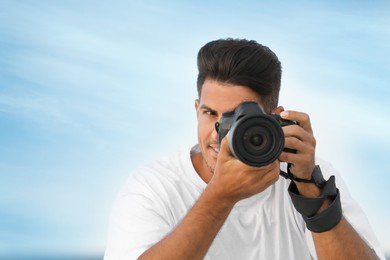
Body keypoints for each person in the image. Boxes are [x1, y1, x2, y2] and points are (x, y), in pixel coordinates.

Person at [104, 38, 385, 259]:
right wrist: (219, 197)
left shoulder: (307, 176)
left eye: (236, 118)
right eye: (210, 113)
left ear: (274, 118)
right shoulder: (154, 186)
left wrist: (311, 190)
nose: (219, 135)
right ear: (195, 110)